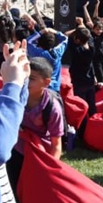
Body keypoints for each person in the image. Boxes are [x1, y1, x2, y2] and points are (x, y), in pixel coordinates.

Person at [6, 58, 63, 191]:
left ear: (47, 82)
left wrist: (50, 169)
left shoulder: (52, 108)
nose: (26, 82)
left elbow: (56, 144)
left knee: (34, 188)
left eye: (31, 78)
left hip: (40, 154)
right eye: (24, 76)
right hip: (17, 150)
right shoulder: (16, 97)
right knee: (14, 185)